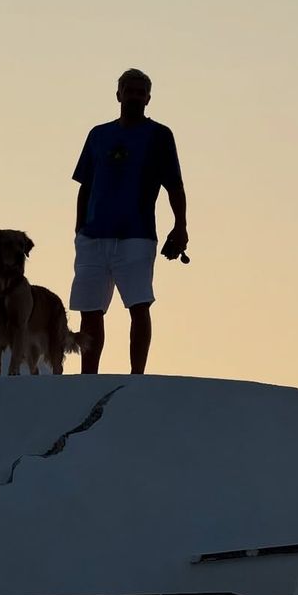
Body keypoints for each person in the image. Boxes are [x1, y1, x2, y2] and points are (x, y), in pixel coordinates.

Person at [69, 68, 188, 374]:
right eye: (129, 90)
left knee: (139, 304)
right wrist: (79, 229)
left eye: (140, 92)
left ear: (148, 98)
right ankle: (88, 376)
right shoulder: (98, 135)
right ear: (118, 93)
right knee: (90, 310)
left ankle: (137, 375)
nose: (134, 97)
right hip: (94, 236)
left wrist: (180, 226)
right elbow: (86, 185)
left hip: (136, 235)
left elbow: (174, 185)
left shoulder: (159, 136)